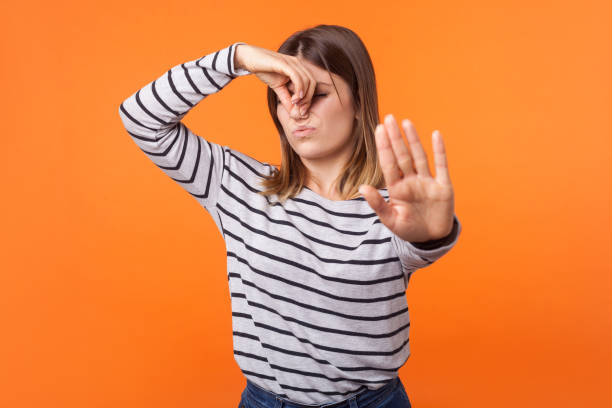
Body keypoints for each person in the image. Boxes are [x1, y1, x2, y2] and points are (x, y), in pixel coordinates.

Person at [119, 24, 461, 408]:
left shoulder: (391, 208)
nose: (298, 108)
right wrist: (237, 58)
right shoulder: (239, 185)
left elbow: (422, 237)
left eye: (317, 94)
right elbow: (140, 118)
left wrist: (432, 234)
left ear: (360, 102)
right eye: (285, 94)